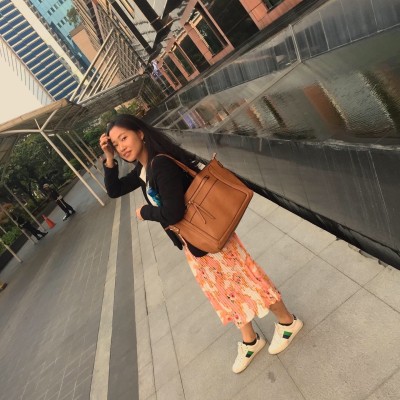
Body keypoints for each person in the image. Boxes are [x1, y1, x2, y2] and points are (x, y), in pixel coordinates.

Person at [100, 114, 303, 374]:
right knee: (225, 291)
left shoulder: (161, 165)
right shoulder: (143, 170)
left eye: (124, 138)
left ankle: (287, 323)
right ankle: (250, 341)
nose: (121, 146)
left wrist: (145, 212)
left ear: (140, 133)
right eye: (116, 144)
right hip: (194, 242)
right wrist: (108, 158)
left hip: (208, 235)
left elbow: (174, 212)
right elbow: (114, 190)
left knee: (247, 280)